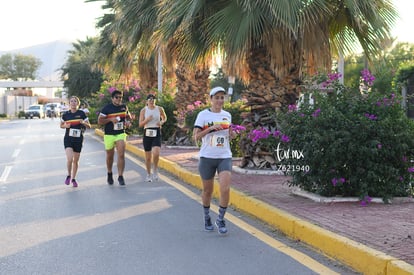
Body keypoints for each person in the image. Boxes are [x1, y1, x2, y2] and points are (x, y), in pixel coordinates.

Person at [193, 86, 235, 234]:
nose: (219, 100)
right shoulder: (203, 115)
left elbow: (229, 134)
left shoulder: (227, 115)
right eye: (216, 97)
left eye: (222, 97)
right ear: (210, 99)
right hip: (207, 157)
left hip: (224, 156)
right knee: (207, 191)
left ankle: (221, 219)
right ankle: (207, 217)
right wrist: (211, 129)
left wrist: (232, 133)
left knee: (225, 188)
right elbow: (196, 137)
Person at [98, 90, 131, 186]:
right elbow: (100, 121)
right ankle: (109, 173)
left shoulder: (124, 107)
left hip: (120, 133)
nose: (119, 99)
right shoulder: (107, 108)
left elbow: (128, 117)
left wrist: (128, 122)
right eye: (116, 97)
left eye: (120, 97)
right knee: (110, 156)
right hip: (109, 134)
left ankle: (120, 176)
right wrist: (110, 120)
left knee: (121, 155)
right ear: (112, 98)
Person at [60, 96, 91, 187]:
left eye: (75, 101)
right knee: (70, 159)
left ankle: (73, 178)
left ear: (78, 103)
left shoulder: (82, 114)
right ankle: (68, 175)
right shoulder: (66, 114)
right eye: (71, 101)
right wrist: (66, 126)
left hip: (78, 139)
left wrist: (83, 123)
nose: (73, 103)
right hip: (68, 139)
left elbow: (89, 126)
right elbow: (61, 125)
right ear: (69, 103)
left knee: (76, 161)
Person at [138, 94, 167, 182]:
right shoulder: (143, 110)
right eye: (149, 99)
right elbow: (140, 124)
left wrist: (161, 122)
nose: (151, 101)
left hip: (156, 131)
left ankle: (155, 170)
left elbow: (165, 118)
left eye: (153, 99)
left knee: (156, 152)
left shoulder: (159, 109)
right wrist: (147, 120)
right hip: (147, 132)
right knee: (148, 157)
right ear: (147, 101)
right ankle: (148, 174)